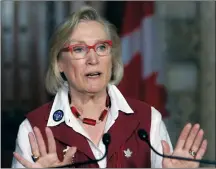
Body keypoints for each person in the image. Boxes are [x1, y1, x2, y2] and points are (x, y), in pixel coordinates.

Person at [12, 6, 207, 168]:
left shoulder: (149, 121)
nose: (93, 59)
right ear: (59, 63)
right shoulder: (33, 130)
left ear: (112, 59)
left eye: (102, 47)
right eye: (79, 49)